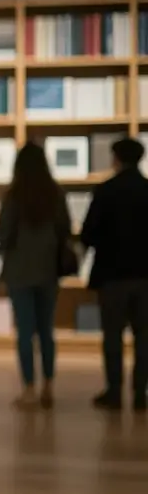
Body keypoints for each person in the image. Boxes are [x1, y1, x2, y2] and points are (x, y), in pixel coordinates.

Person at [0, 141, 72, 409]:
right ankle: (48, 386)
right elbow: (66, 229)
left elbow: (3, 233)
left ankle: (29, 388)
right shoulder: (55, 194)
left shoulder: (13, 196)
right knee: (46, 331)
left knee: (25, 332)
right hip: (48, 269)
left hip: (19, 270)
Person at [80, 136, 148, 412]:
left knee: (112, 336)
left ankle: (114, 391)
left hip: (112, 275)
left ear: (116, 158)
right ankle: (141, 393)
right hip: (145, 275)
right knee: (144, 336)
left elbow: (88, 234)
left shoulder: (106, 191)